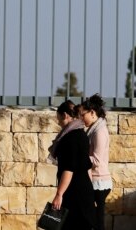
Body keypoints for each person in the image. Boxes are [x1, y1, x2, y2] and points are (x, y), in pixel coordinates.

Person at [48, 100, 96, 230]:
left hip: (74, 193)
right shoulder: (82, 135)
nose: (59, 123)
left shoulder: (70, 138)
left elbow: (69, 169)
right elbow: (87, 167)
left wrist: (59, 195)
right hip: (83, 192)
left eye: (59, 119)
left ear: (65, 115)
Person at [77, 94, 112, 230]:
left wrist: (79, 158)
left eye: (83, 114)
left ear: (92, 113)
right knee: (93, 220)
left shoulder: (99, 131)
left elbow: (96, 159)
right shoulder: (94, 129)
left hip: (99, 182)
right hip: (94, 179)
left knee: (98, 221)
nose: (81, 118)